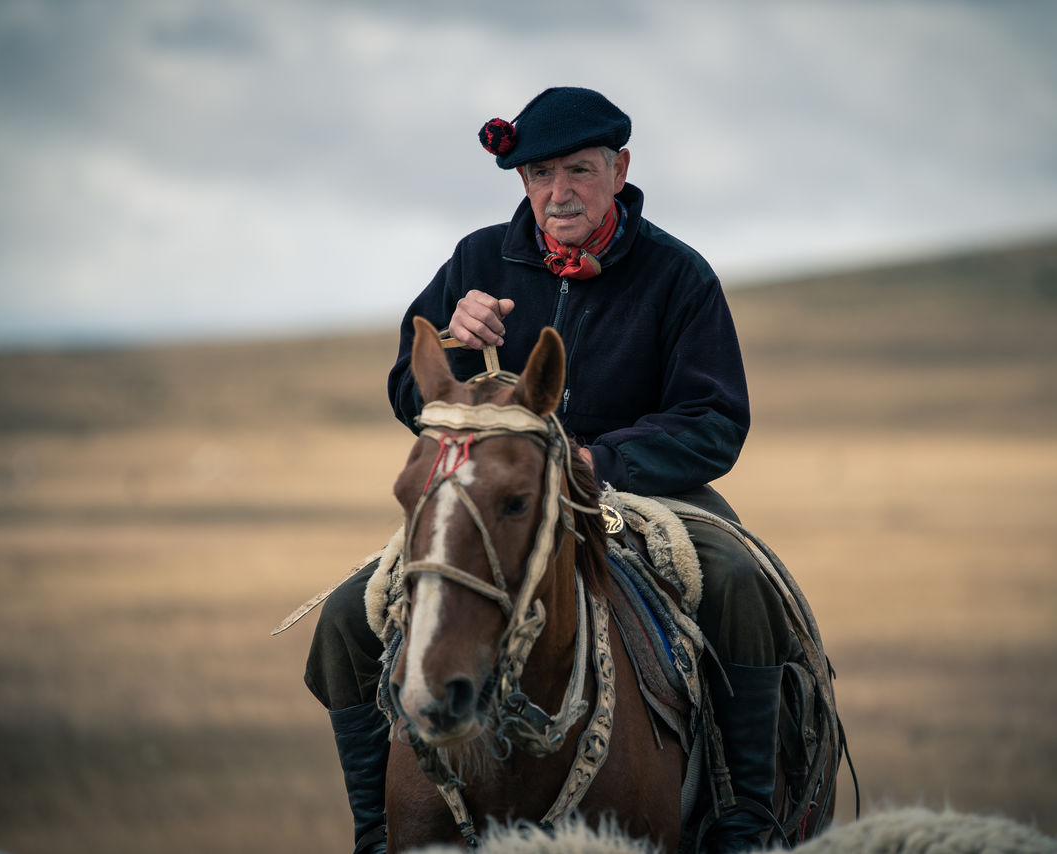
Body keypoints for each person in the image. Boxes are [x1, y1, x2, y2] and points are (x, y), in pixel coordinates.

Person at [305, 86, 794, 854]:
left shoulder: (678, 275)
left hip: (639, 491)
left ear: (618, 168)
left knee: (738, 578)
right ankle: (377, 830)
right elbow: (412, 392)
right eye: (539, 175)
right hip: (496, 494)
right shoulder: (477, 258)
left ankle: (746, 818)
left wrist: (600, 460)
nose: (557, 192)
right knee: (344, 618)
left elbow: (716, 421)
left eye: (578, 170)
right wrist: (458, 347)